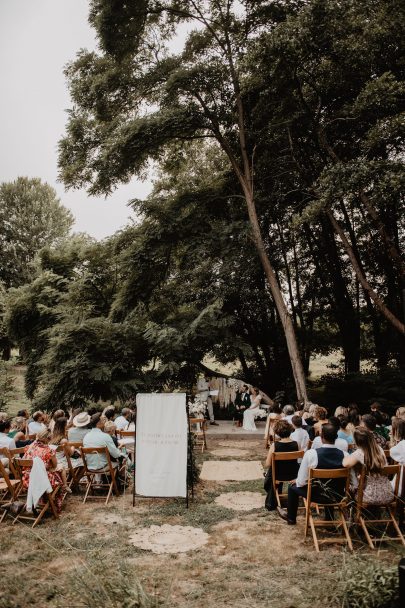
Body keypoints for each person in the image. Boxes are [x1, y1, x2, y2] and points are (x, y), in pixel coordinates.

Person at [276, 423, 348, 525]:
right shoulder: (345, 455)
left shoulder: (311, 454)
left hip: (316, 495)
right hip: (338, 496)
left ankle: (291, 518)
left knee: (292, 487)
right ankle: (329, 520)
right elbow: (352, 482)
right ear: (336, 437)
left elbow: (301, 482)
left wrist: (297, 481)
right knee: (332, 484)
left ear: (321, 437)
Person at [343, 427, 392, 505]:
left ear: (357, 442)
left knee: (351, 486)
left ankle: (353, 512)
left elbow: (345, 464)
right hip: (387, 494)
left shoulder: (359, 452)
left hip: (368, 496)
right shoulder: (379, 449)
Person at [23, 428, 63, 513]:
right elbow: (55, 465)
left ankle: (42, 501)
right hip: (42, 480)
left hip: (27, 480)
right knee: (58, 478)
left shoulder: (29, 447)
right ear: (47, 439)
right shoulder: (49, 450)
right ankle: (54, 505)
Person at [264, 420, 299, 511]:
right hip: (294, 474)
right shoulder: (296, 444)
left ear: (277, 432)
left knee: (270, 472)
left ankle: (274, 496)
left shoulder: (275, 446)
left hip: (278, 475)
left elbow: (267, 464)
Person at [50, 417, 73, 494]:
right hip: (62, 462)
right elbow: (70, 453)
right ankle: (73, 484)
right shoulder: (63, 440)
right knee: (82, 462)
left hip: (53, 461)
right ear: (64, 426)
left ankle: (67, 481)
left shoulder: (51, 438)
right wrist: (73, 448)